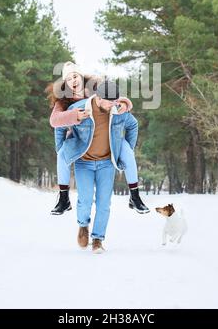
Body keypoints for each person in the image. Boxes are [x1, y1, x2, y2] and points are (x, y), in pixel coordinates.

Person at [55, 80, 147, 253]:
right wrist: (60, 148)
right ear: (98, 97)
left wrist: (126, 149)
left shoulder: (118, 110)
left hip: (107, 163)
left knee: (104, 203)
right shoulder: (81, 109)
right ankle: (83, 226)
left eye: (115, 101)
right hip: (84, 162)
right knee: (86, 200)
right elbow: (60, 125)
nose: (112, 105)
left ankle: (98, 239)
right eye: (108, 101)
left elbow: (133, 125)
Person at [46, 61, 149, 215]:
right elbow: (55, 121)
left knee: (126, 150)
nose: (73, 80)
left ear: (81, 77)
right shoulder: (64, 101)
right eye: (69, 79)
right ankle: (64, 199)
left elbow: (115, 97)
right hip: (81, 139)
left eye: (75, 76)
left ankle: (134, 197)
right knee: (61, 155)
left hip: (106, 136)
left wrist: (124, 104)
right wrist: (74, 116)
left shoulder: (95, 88)